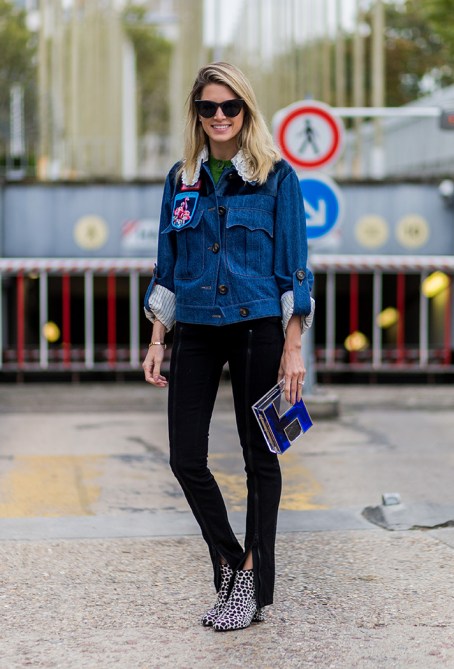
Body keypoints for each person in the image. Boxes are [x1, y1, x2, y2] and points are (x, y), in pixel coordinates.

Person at [142, 62, 314, 632]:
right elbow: (167, 265)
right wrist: (157, 337)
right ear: (196, 114)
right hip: (193, 327)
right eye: (208, 107)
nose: (219, 116)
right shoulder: (180, 179)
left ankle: (252, 580)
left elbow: (294, 268)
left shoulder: (276, 177)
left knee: (260, 456)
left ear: (246, 110)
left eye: (230, 106)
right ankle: (230, 561)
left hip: (257, 327)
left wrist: (293, 346)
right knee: (185, 459)